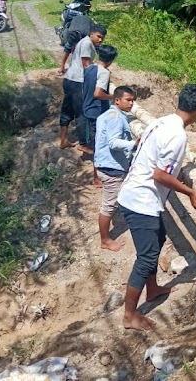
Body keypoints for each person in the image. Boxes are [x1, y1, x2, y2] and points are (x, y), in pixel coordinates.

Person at [117, 84, 196, 330]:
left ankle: (153, 288)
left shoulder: (162, 122)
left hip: (137, 194)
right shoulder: (177, 135)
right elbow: (160, 174)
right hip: (141, 201)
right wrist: (190, 191)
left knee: (158, 238)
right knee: (146, 258)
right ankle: (129, 315)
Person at [94, 85, 137, 252]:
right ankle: (105, 240)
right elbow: (113, 142)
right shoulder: (117, 118)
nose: (131, 103)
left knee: (114, 199)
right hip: (112, 167)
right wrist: (134, 143)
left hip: (104, 164)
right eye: (128, 100)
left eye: (133, 100)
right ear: (117, 100)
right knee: (108, 206)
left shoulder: (107, 115)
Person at [59, 23, 106, 152]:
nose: (100, 40)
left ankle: (63, 140)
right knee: (82, 112)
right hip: (78, 82)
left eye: (102, 38)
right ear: (91, 34)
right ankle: (84, 144)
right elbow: (86, 66)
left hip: (69, 79)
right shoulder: (87, 44)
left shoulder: (83, 42)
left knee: (67, 110)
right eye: (98, 36)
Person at [83, 44, 118, 187]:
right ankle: (96, 177)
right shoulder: (104, 73)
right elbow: (97, 94)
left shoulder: (90, 68)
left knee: (95, 140)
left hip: (87, 108)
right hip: (96, 111)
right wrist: (113, 97)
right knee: (99, 144)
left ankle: (98, 172)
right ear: (111, 60)